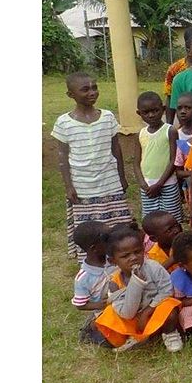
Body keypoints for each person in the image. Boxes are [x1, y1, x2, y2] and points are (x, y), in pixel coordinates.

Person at [52, 72, 132, 261]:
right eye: (85, 89)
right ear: (70, 94)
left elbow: (116, 149)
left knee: (117, 225)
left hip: (110, 181)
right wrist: (68, 186)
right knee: (89, 228)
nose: (92, 92)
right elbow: (62, 157)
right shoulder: (64, 123)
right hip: (83, 186)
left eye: (94, 87)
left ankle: (119, 258)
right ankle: (91, 262)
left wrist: (122, 177)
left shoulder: (108, 117)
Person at [91, 225, 183, 352]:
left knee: (170, 307)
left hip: (155, 309)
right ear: (113, 261)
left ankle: (170, 333)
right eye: (125, 256)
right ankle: (134, 337)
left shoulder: (153, 267)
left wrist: (148, 311)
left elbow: (167, 290)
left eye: (137, 252)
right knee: (109, 314)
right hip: (133, 317)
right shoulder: (114, 282)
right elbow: (127, 313)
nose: (133, 257)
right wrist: (136, 283)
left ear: (143, 250)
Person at [133, 91, 181, 224]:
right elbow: (136, 162)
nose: (151, 115)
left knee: (171, 220)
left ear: (163, 109)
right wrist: (143, 184)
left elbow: (174, 160)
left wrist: (160, 184)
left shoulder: (170, 131)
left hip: (168, 184)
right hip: (147, 187)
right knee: (151, 222)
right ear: (139, 113)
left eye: (155, 111)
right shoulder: (140, 134)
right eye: (146, 112)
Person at [71, 221, 113, 312]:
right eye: (107, 239)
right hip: (105, 313)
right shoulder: (83, 278)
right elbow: (80, 305)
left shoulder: (114, 258)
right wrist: (99, 305)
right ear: (94, 248)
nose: (113, 241)